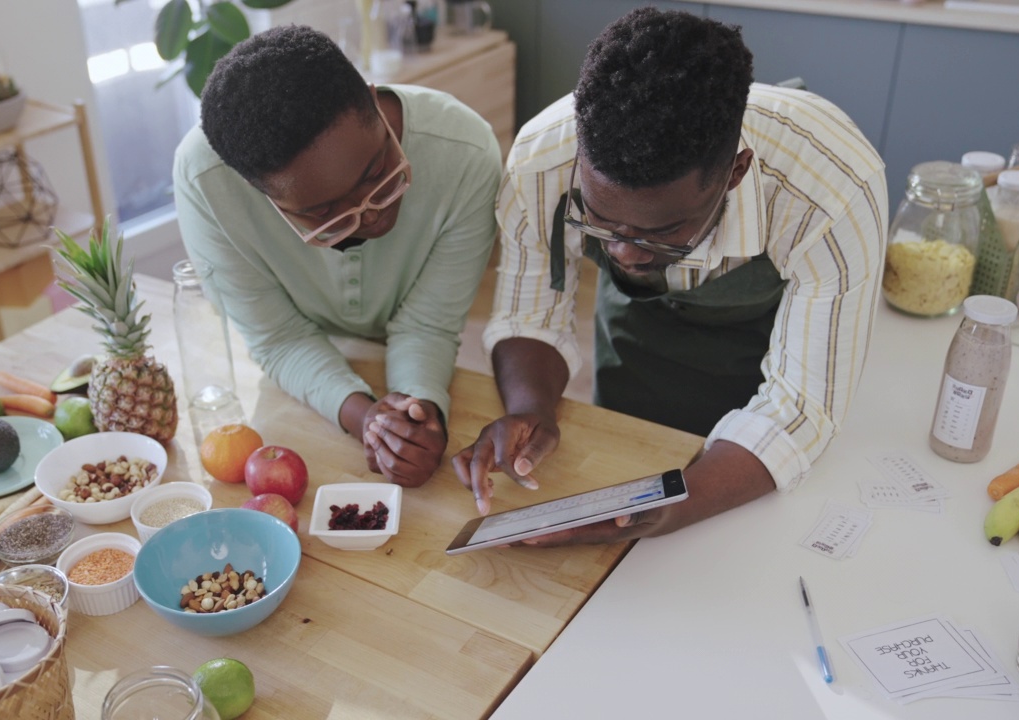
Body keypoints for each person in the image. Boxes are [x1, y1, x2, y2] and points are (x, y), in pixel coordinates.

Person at [454, 8, 888, 543]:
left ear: (736, 171)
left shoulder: (833, 189)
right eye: (599, 219)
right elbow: (529, 312)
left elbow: (799, 408)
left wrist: (672, 509)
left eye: (661, 231)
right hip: (637, 339)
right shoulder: (545, 158)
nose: (623, 256)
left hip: (759, 349)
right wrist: (530, 408)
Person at [174, 25, 501, 487]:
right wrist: (367, 419)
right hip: (294, 386)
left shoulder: (468, 155)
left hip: (406, 355)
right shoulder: (205, 182)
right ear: (256, 190)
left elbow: (428, 323)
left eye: (377, 173)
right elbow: (279, 337)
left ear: (372, 102)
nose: (368, 216)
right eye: (324, 213)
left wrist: (414, 414)